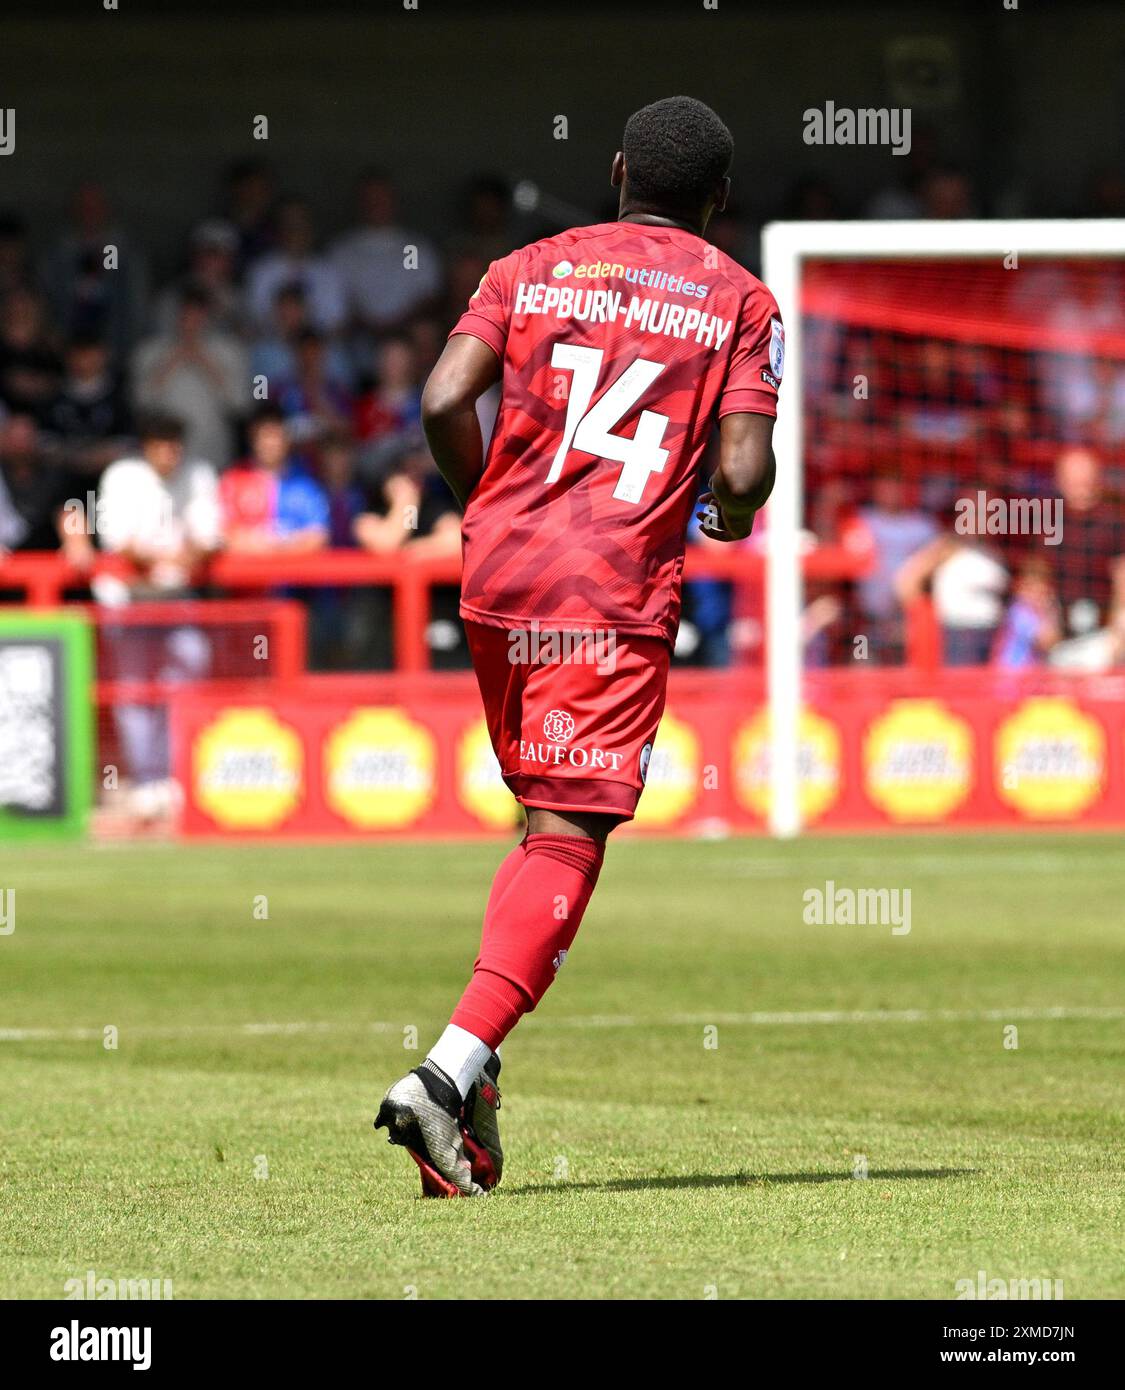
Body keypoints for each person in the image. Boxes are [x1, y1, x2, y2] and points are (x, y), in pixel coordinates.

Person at [374, 96, 782, 1196]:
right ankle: (445, 1075)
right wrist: (733, 514)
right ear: (720, 199)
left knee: (537, 821)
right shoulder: (740, 301)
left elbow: (445, 395)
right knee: (567, 836)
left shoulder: (526, 265)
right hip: (605, 591)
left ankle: (476, 1095)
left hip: (496, 576)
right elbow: (741, 474)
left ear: (613, 172)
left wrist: (489, 501)